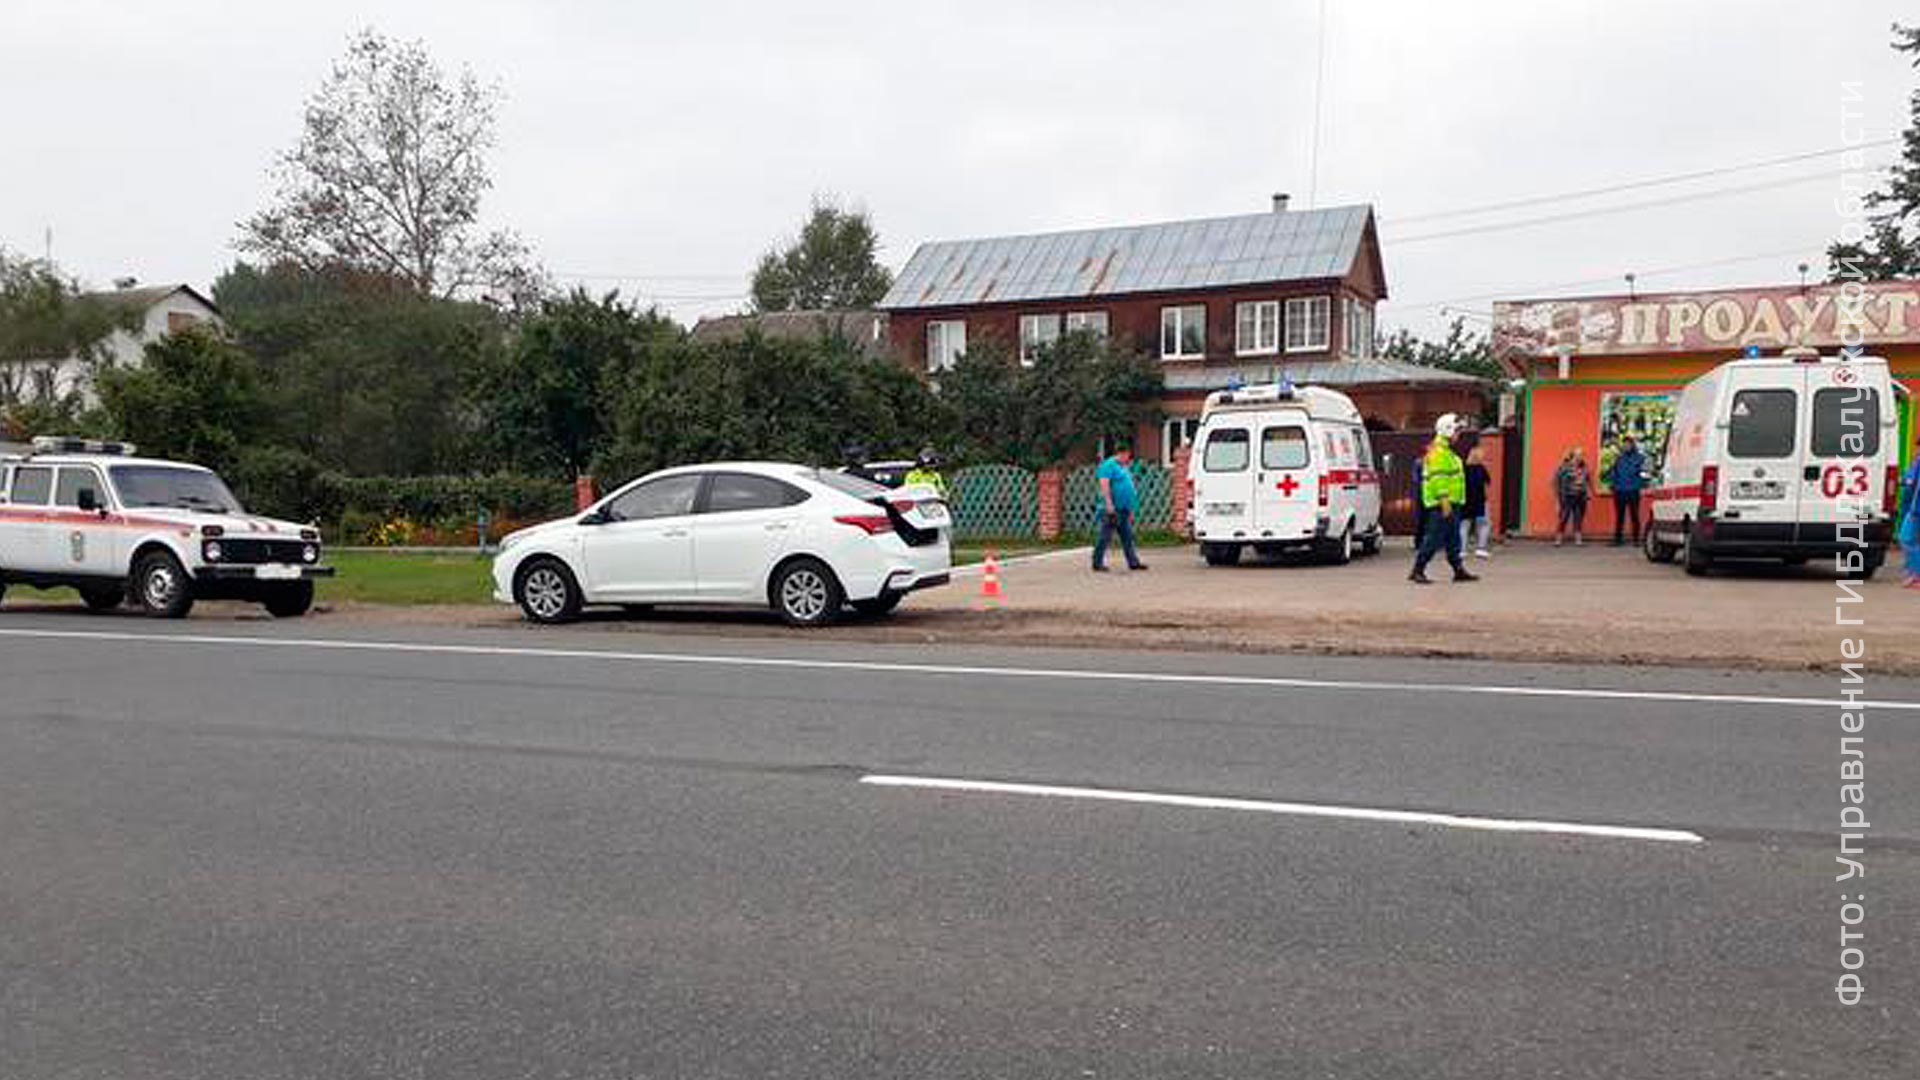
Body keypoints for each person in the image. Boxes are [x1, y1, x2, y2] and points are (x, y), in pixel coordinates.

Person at [1409, 414, 1479, 584]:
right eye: (1457, 431)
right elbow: (1439, 480)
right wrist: (1445, 502)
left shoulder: (1446, 452)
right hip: (1443, 504)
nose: (1459, 435)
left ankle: (1458, 570)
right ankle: (1418, 570)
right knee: (1433, 538)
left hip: (1451, 503)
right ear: (1447, 431)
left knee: (1453, 539)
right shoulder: (1439, 453)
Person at [1092, 442, 1147, 573]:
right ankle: (1097, 562)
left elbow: (1129, 487)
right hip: (1111, 509)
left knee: (1128, 536)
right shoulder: (1108, 465)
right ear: (1121, 453)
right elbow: (1104, 485)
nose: (1129, 458)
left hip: (1124, 509)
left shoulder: (1123, 467)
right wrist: (1109, 504)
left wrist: (1131, 509)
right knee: (1104, 537)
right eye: (1128, 455)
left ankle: (1133, 562)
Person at [1608, 436, 1647, 547]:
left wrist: (1641, 483)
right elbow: (1614, 472)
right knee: (1619, 516)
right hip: (1619, 491)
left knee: (1634, 515)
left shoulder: (1640, 458)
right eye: (1624, 444)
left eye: (1628, 444)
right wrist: (1613, 484)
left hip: (1633, 490)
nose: (1626, 446)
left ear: (1632, 445)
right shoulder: (1619, 458)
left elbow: (1645, 473)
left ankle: (1636, 539)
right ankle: (1617, 539)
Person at [1553, 447, 1593, 546]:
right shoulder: (1564, 467)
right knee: (1564, 517)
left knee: (1578, 517)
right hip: (1567, 496)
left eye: (1581, 455)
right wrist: (1557, 498)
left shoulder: (1584, 467)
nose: (1580, 457)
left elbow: (1588, 480)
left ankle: (1578, 538)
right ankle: (1559, 538)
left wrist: (1589, 492)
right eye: (1578, 455)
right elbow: (1556, 482)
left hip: (1580, 496)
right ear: (1573, 456)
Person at [1459, 443, 1492, 560]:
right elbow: (1488, 482)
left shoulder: (1462, 467)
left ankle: (1462, 550)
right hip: (1480, 501)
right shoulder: (1481, 468)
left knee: (1464, 525)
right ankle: (1481, 549)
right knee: (1483, 524)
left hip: (1465, 500)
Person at [1900, 455, 1920, 589]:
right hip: (1913, 508)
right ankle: (1912, 572)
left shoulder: (1918, 462)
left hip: (1915, 509)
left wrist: (1913, 510)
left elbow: (1911, 484)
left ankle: (1916, 574)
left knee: (1906, 539)